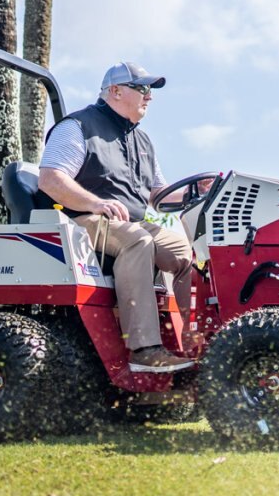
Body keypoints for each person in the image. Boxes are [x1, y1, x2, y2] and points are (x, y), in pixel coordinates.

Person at [35, 61, 196, 373]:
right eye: (142, 88)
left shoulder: (143, 141)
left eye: (150, 90)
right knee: (138, 240)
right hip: (78, 221)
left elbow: (158, 196)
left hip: (129, 222)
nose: (149, 96)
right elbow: (50, 180)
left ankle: (193, 339)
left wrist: (195, 192)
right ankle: (145, 349)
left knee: (183, 253)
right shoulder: (78, 127)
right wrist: (95, 203)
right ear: (115, 91)